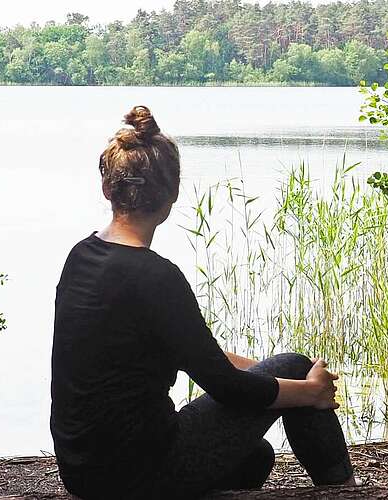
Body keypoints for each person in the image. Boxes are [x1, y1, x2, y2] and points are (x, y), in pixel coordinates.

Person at [50, 106, 359, 499]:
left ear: (107, 188)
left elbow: (195, 354)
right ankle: (346, 491)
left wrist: (269, 374)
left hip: (83, 473)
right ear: (173, 193)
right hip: (141, 474)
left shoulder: (81, 257)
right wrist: (308, 390)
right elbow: (227, 387)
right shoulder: (156, 276)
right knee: (297, 365)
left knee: (256, 457)